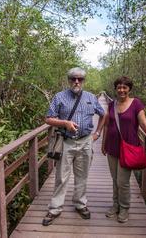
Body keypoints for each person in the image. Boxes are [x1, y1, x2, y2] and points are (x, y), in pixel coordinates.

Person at [101, 76, 146, 223]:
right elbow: (107, 125)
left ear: (129, 89)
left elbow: (144, 124)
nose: (121, 90)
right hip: (112, 147)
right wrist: (103, 143)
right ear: (115, 89)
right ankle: (115, 205)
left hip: (128, 148)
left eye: (124, 87)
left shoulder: (136, 104)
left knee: (123, 181)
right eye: (119, 87)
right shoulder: (111, 104)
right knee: (115, 179)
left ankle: (124, 208)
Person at [42, 67, 106, 226]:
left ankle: (80, 204)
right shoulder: (60, 97)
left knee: (82, 175)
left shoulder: (91, 97)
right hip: (66, 142)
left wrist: (97, 133)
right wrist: (65, 123)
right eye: (73, 79)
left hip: (86, 141)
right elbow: (48, 119)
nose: (76, 81)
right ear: (68, 80)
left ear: (84, 81)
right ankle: (55, 208)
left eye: (80, 79)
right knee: (61, 176)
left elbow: (104, 114)